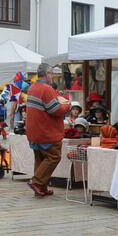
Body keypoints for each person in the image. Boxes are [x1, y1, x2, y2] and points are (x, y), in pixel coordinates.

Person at [25, 64, 70, 198]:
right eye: (51, 73)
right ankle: (37, 182)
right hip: (46, 132)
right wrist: (67, 105)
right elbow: (55, 110)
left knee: (40, 159)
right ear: (47, 74)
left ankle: (42, 188)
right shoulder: (47, 89)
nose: (53, 76)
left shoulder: (32, 87)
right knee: (53, 157)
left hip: (34, 131)